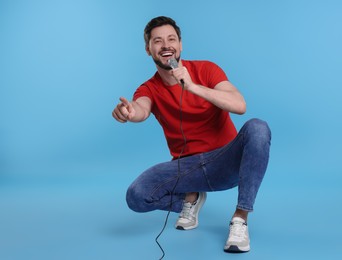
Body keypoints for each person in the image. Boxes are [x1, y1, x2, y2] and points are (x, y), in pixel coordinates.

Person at [112, 16, 271, 253]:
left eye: (171, 39)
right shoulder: (149, 88)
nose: (165, 45)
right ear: (148, 50)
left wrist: (194, 87)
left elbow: (240, 105)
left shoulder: (206, 69)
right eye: (157, 41)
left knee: (258, 127)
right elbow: (141, 108)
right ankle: (190, 199)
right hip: (187, 169)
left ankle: (240, 218)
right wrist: (129, 112)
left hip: (225, 162)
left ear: (180, 45)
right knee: (136, 196)